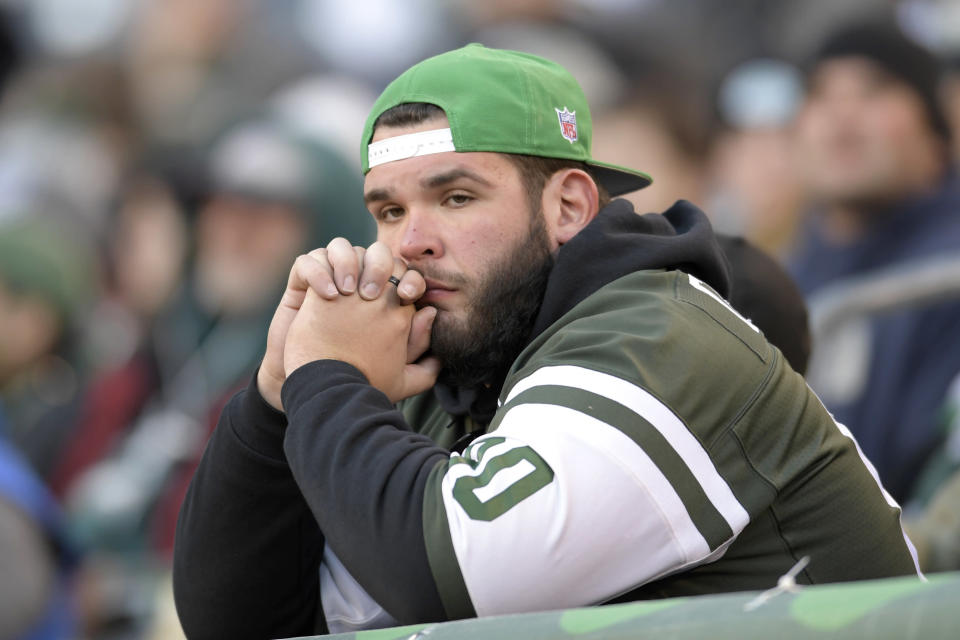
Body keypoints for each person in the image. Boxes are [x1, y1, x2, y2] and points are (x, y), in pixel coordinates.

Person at [174, 44, 921, 639]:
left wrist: (330, 378)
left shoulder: (656, 335)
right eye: (390, 210)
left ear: (567, 206)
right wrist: (276, 396)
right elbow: (242, 620)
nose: (414, 243)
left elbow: (454, 575)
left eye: (456, 197)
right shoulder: (456, 358)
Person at [788, 23, 960, 503]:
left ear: (936, 134)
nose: (842, 118)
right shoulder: (778, 274)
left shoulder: (950, 276)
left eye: (873, 91)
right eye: (820, 94)